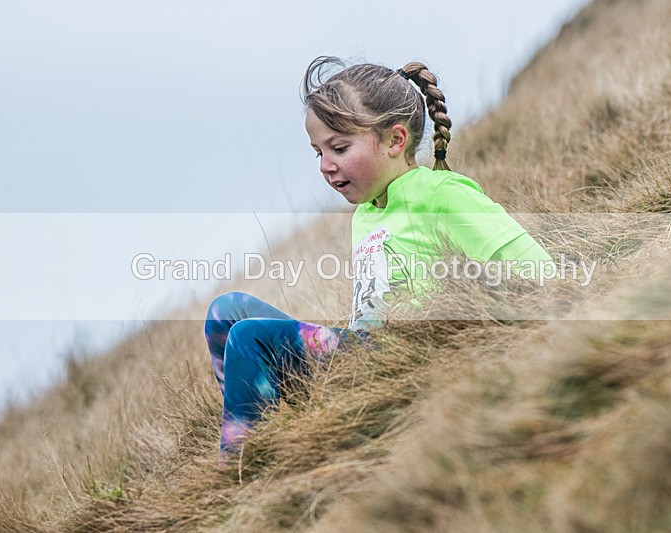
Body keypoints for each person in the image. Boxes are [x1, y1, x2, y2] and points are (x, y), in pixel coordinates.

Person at [204, 56, 552, 462]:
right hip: (359, 354)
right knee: (227, 312)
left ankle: (238, 466)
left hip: (405, 354)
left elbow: (536, 269)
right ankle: (272, 422)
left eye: (338, 147)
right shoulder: (367, 212)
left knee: (251, 337)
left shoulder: (442, 194)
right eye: (317, 152)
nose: (325, 166)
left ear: (395, 141)